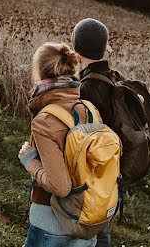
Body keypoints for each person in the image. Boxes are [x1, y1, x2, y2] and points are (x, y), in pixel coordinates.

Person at [17, 42, 98, 247]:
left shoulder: (45, 121)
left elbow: (60, 187)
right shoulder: (90, 110)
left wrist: (29, 161)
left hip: (51, 224)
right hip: (88, 219)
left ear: (40, 72)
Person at [72, 18, 116, 247]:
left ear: (75, 47)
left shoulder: (86, 87)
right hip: (111, 174)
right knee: (102, 229)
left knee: (88, 233)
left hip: (92, 176)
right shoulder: (113, 78)